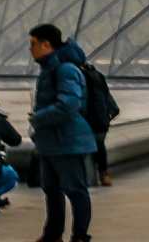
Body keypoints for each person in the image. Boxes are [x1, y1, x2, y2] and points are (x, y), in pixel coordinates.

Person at [27, 23, 97, 242]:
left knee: (76, 190)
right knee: (51, 189)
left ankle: (79, 236)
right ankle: (52, 234)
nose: (30, 49)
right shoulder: (50, 69)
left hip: (67, 141)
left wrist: (38, 118)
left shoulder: (65, 69)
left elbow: (69, 104)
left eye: (33, 44)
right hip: (51, 141)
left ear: (46, 44)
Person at [78, 55, 120, 187]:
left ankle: (92, 176)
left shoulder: (79, 77)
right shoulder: (97, 75)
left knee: (93, 146)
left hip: (91, 120)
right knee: (100, 146)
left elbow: (80, 101)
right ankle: (103, 174)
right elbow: (107, 97)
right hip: (101, 120)